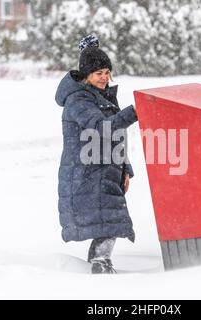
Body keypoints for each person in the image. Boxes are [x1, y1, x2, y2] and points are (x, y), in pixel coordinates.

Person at [54, 35, 138, 274]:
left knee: (111, 219)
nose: (104, 78)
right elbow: (103, 129)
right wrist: (134, 112)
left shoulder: (101, 96)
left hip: (104, 170)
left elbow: (115, 138)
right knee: (110, 220)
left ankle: (101, 263)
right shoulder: (78, 100)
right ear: (86, 76)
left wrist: (125, 169)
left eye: (107, 72)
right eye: (98, 73)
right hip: (87, 171)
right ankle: (100, 265)